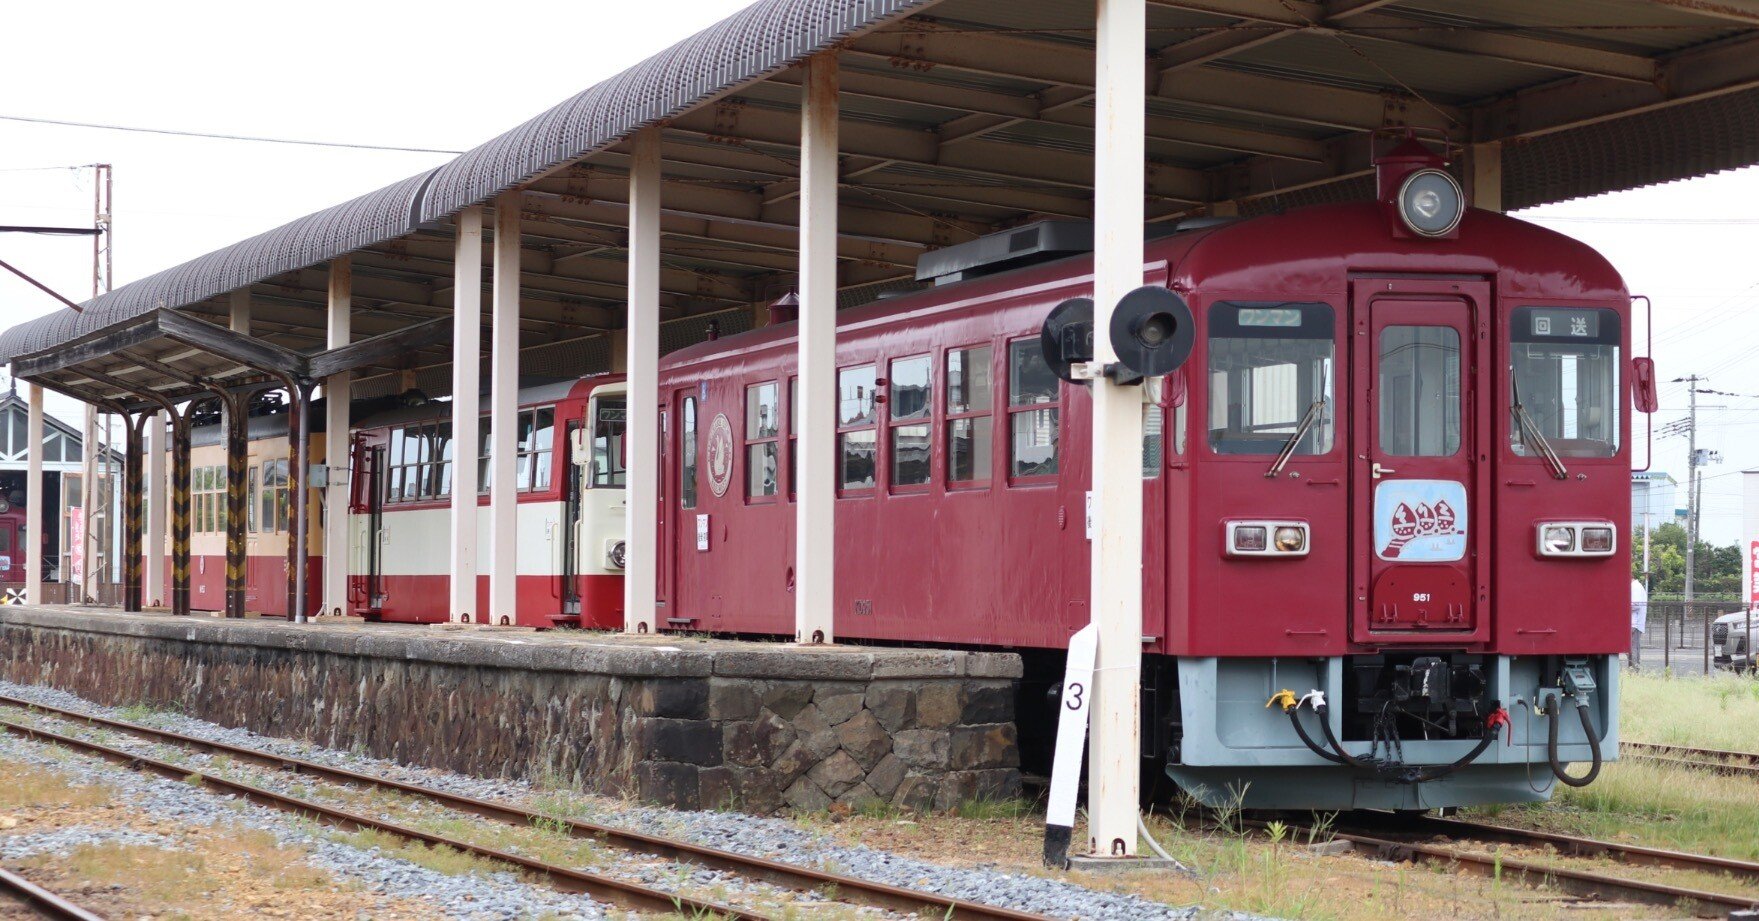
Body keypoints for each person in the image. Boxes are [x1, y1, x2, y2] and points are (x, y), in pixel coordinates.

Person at [1630, 578, 1649, 670]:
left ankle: (1634, 670)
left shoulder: (1635, 587)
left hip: (1634, 623)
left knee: (1632, 648)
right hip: (1635, 623)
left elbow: (1636, 604)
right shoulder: (1636, 586)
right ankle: (1634, 669)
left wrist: (1621, 605)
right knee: (1633, 648)